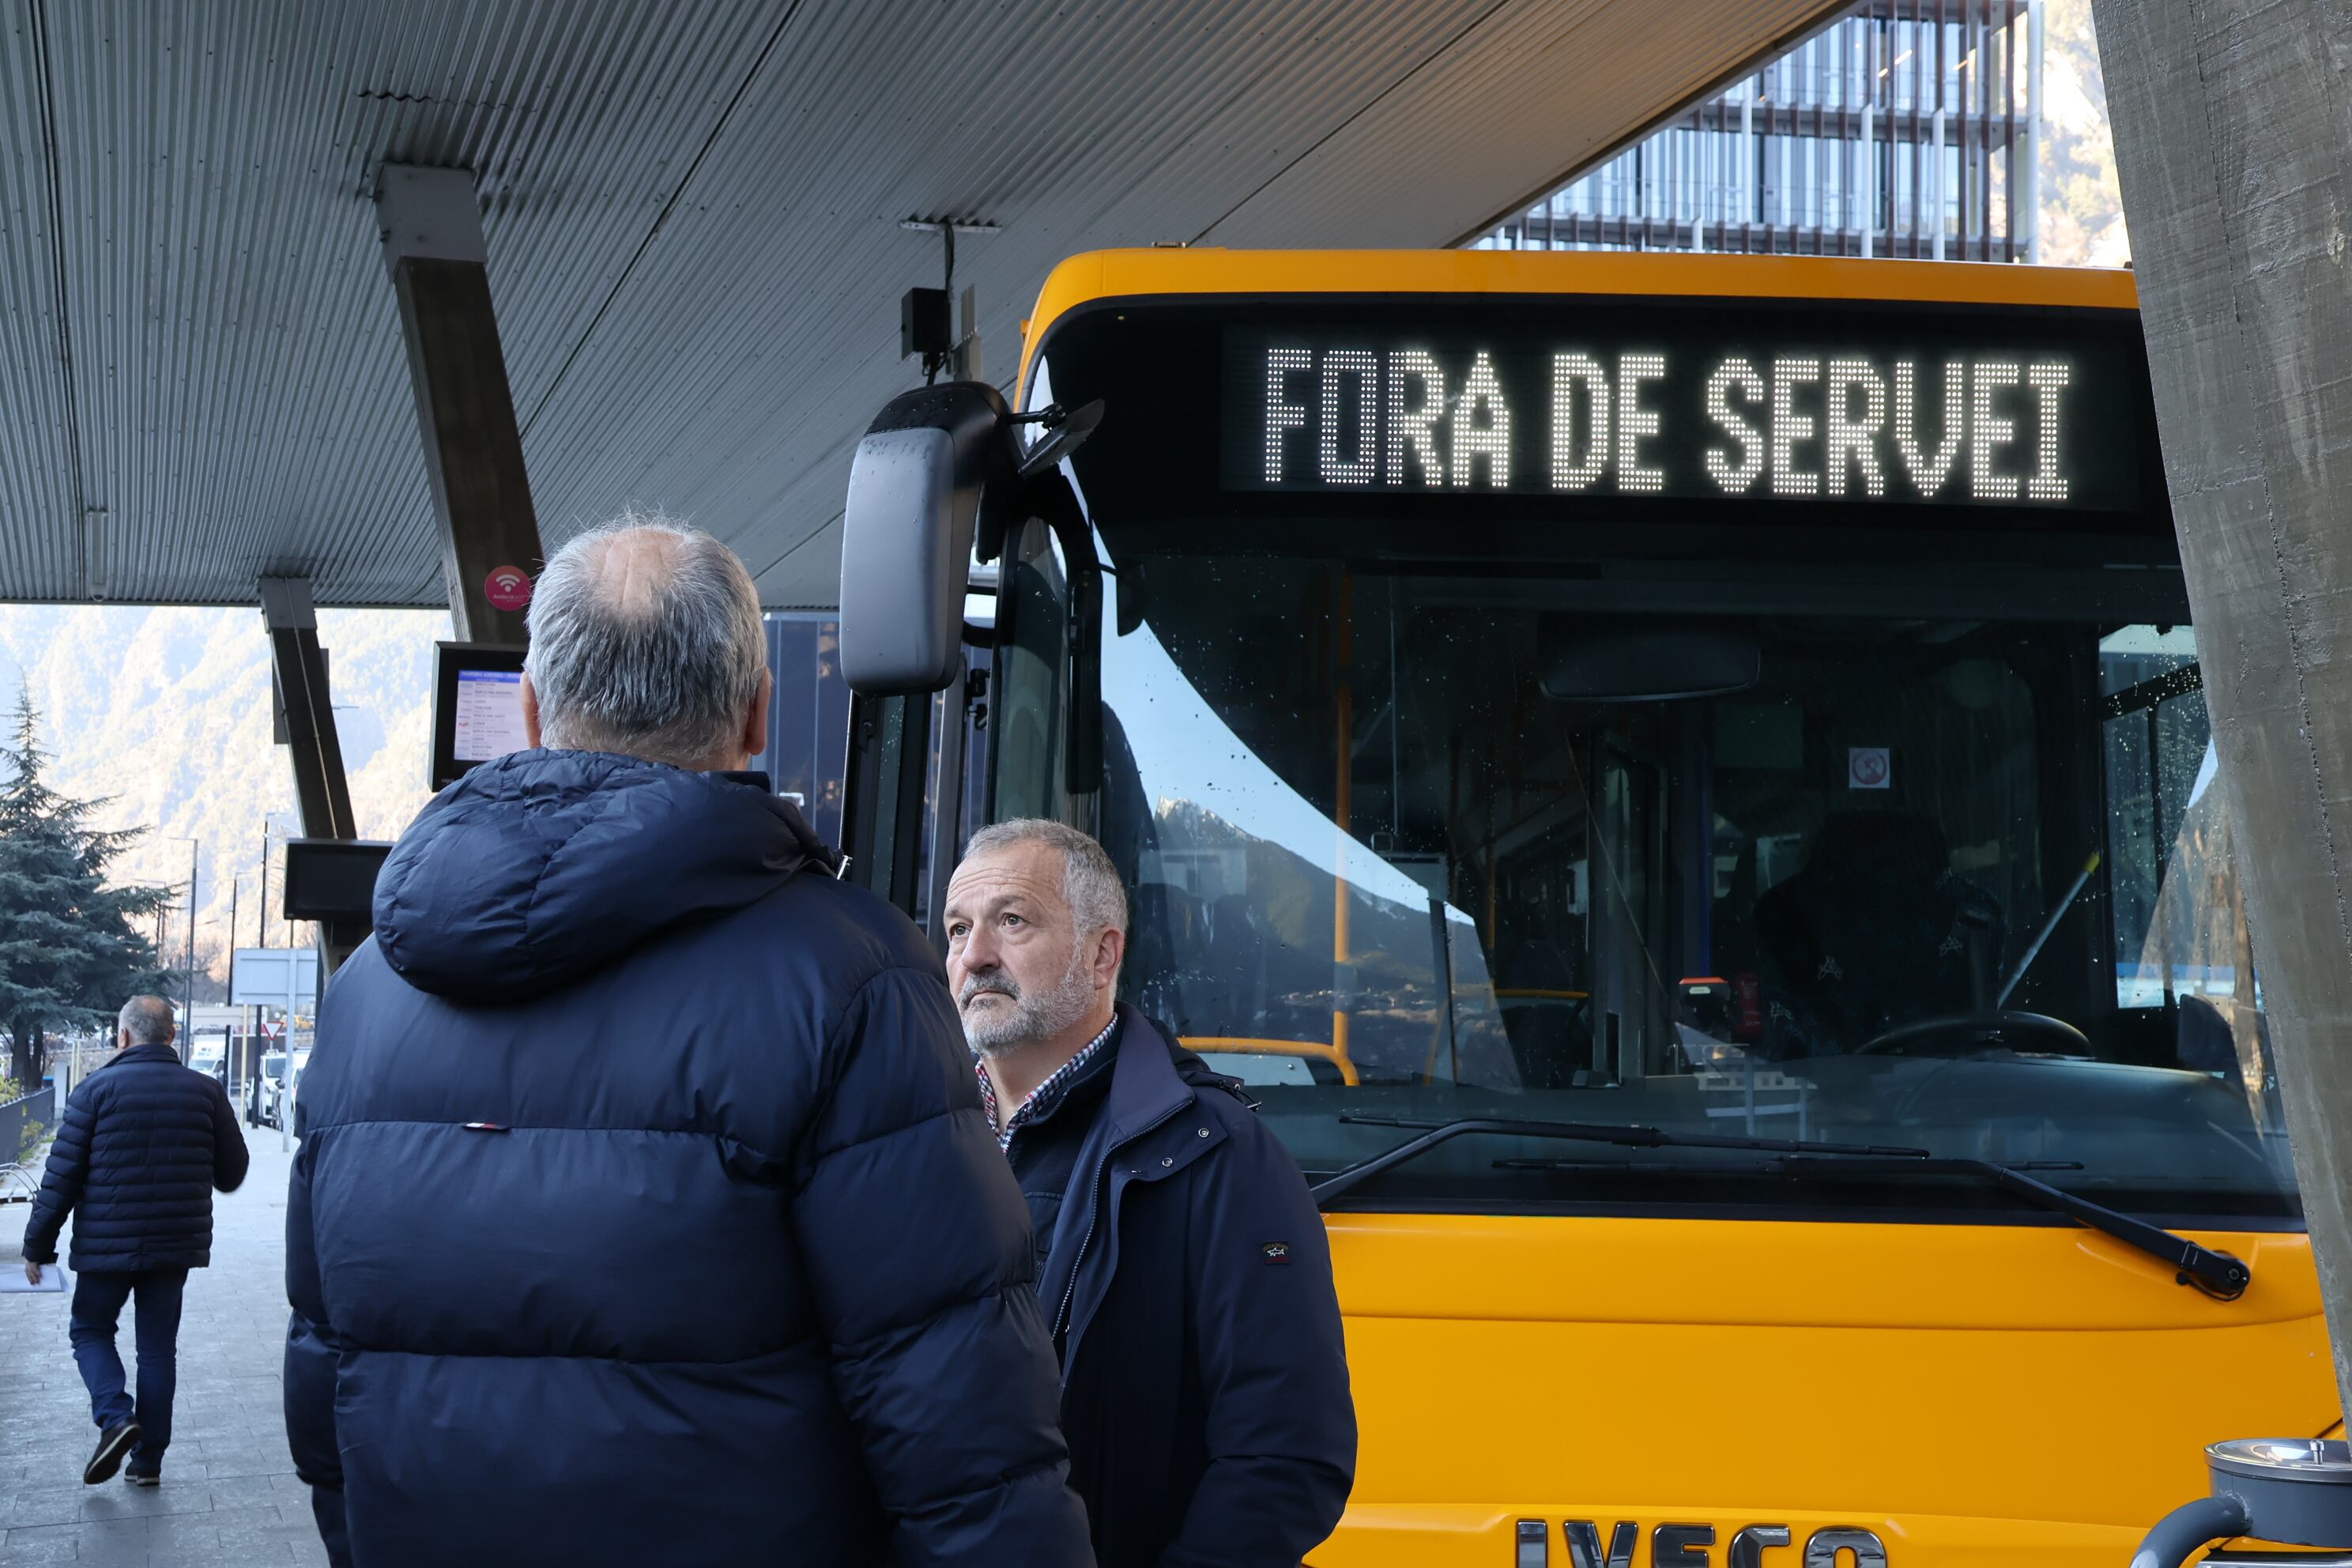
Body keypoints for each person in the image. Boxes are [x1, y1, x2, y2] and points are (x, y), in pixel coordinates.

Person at [285, 518, 1092, 1568]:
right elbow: (960, 1414)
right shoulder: (851, 975)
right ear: (758, 714)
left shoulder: (367, 995)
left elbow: (325, 1380)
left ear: (528, 713)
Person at [942, 819, 1356, 1568]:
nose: (975, 957)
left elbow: (1289, 1457)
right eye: (958, 928)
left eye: (1012, 921)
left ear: (1103, 955)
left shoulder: (1218, 1154)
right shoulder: (904, 1136)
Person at [21, 994, 251, 1487]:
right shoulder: (206, 1092)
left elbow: (60, 1179)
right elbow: (232, 1174)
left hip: (105, 1247)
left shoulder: (93, 1090)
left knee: (90, 1330)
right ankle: (147, 1464)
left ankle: (115, 1416)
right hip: (174, 1248)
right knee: (157, 1350)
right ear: (171, 1036)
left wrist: (37, 1246)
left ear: (123, 1037)